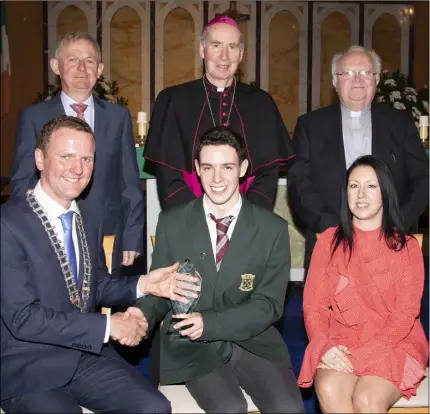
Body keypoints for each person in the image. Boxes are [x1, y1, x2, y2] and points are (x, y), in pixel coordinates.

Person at [0, 116, 201, 413]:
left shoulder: (87, 218)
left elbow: (95, 286)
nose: (78, 169)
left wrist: (145, 283)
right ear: (40, 159)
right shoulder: (8, 223)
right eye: (66, 156)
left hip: (84, 354)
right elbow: (24, 319)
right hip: (29, 363)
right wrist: (109, 326)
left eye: (86, 158)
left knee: (153, 408)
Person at [130, 126, 305, 413]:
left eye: (227, 167)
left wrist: (210, 322)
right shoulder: (172, 223)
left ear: (243, 168)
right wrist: (140, 315)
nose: (217, 178)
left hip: (254, 340)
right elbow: (160, 289)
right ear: (197, 169)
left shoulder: (271, 229)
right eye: (208, 167)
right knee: (230, 408)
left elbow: (269, 304)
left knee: (289, 408)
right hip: (191, 344)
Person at [297, 155, 428, 413]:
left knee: (367, 400)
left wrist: (365, 355)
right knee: (330, 388)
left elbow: (404, 316)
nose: (361, 194)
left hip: (394, 342)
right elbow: (314, 306)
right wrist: (323, 345)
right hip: (342, 339)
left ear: (385, 192)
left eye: (371, 186)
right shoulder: (328, 242)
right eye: (354, 186)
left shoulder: (407, 247)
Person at [9, 31, 144, 273]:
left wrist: (132, 236)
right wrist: (26, 234)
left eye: (89, 61)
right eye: (72, 59)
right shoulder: (33, 118)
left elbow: (129, 183)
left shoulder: (118, 117)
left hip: (107, 237)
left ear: (99, 69)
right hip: (49, 234)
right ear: (56, 66)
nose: (82, 68)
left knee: (105, 303)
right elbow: (22, 183)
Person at [287, 45, 429, 269]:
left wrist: (395, 223)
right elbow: (298, 183)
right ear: (335, 81)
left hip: (390, 242)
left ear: (377, 80)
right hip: (329, 240)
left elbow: (423, 178)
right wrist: (331, 227)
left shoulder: (400, 124)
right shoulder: (310, 126)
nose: (358, 80)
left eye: (366, 73)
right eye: (348, 73)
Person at [144, 16, 294, 211]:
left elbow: (267, 174)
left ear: (240, 55)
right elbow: (168, 175)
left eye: (232, 47)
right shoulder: (173, 100)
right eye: (216, 46)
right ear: (202, 50)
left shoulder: (261, 103)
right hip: (188, 218)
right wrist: (195, 219)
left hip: (247, 220)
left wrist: (246, 219)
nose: (224, 56)